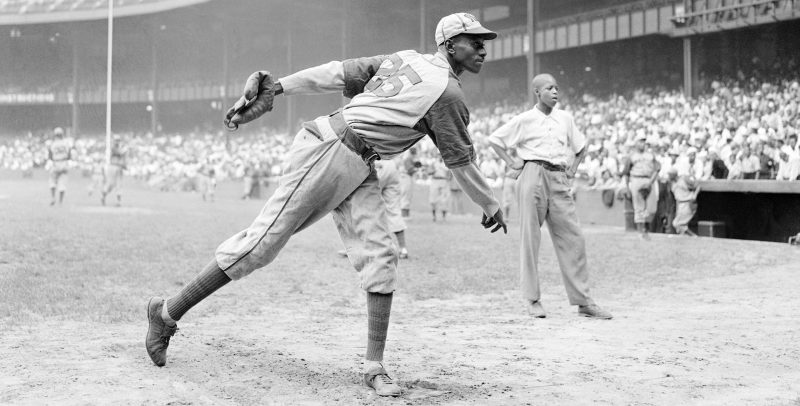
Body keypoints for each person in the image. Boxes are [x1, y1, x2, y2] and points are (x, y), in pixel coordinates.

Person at [145, 12, 507, 398]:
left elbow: (337, 72)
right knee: (259, 246)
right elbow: (461, 163)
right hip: (331, 149)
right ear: (450, 45)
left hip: (360, 161)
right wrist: (490, 204)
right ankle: (165, 313)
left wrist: (279, 87)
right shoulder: (447, 93)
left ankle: (374, 366)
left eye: (483, 40)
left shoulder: (404, 59)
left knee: (382, 256)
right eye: (474, 40)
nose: (483, 47)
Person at [487, 73, 612, 320]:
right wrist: (512, 161)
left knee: (574, 237)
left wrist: (574, 168)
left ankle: (583, 301)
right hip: (533, 173)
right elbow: (495, 140)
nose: (555, 92)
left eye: (557, 87)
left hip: (558, 176)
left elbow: (581, 146)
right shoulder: (525, 119)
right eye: (549, 88)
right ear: (537, 92)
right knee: (530, 238)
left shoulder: (565, 118)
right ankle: (533, 300)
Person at [622, 134, 661, 240]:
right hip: (636, 179)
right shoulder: (632, 156)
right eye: (640, 141)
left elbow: (657, 168)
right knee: (639, 207)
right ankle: (641, 232)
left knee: (651, 208)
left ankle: (646, 230)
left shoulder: (650, 155)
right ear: (636, 143)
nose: (642, 143)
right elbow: (626, 173)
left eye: (644, 141)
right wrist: (627, 186)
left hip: (648, 179)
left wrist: (651, 181)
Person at [46, 127, 73, 206]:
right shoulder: (66, 143)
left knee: (52, 181)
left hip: (55, 163)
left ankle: (53, 197)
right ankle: (60, 201)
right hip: (64, 163)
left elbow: (50, 156)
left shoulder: (52, 144)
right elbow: (69, 156)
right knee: (62, 183)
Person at [669, 168, 699, 235]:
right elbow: (677, 196)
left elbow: (697, 186)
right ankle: (686, 239)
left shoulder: (683, 179)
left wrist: (695, 196)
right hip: (680, 204)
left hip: (688, 202)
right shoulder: (672, 183)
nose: (669, 176)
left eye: (670, 175)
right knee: (678, 226)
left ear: (674, 175)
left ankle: (694, 236)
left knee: (677, 224)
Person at [101, 135, 127, 206]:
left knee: (119, 185)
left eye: (118, 140)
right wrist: (124, 150)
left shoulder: (120, 147)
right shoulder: (113, 148)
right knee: (110, 184)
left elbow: (123, 158)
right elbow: (119, 153)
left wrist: (125, 166)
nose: (117, 142)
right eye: (116, 140)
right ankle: (103, 196)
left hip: (119, 168)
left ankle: (118, 202)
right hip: (112, 167)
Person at [399, 147, 421, 218]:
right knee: (406, 194)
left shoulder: (409, 158)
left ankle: (406, 214)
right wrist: (417, 169)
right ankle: (404, 215)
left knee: (408, 195)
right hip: (406, 177)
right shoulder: (408, 158)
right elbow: (409, 170)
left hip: (407, 177)